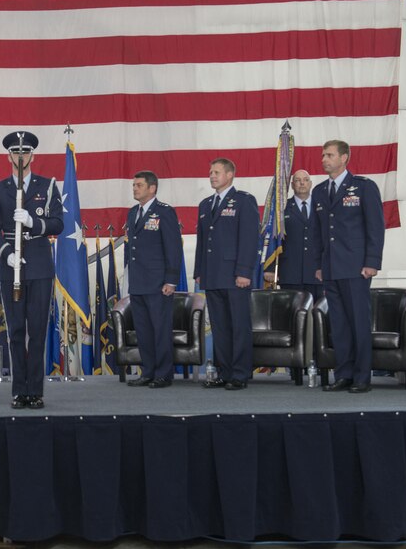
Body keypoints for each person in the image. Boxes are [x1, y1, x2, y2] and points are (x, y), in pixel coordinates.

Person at [0, 131, 63, 409]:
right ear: (8, 156)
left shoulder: (48, 186)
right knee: (16, 331)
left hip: (40, 266)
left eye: (25, 152)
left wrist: (33, 222)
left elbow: (58, 224)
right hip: (12, 268)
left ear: (33, 156)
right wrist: (6, 254)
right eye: (15, 153)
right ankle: (19, 390)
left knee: (38, 330)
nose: (20, 157)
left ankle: (36, 390)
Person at [313, 140, 385, 393]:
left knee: (358, 323)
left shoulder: (364, 187)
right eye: (323, 155)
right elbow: (317, 233)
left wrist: (372, 262)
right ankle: (343, 374)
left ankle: (362, 377)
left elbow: (375, 226)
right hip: (331, 268)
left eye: (329, 155)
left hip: (356, 268)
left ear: (344, 158)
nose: (324, 159)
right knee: (340, 325)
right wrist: (318, 265)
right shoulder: (320, 191)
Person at [194, 158, 260, 390]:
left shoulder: (243, 201)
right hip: (213, 275)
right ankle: (224, 372)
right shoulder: (205, 205)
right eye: (210, 172)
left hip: (235, 275)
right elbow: (203, 241)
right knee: (220, 327)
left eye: (217, 172)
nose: (212, 176)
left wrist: (244, 271)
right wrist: (199, 271)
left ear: (230, 175)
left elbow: (250, 239)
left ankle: (240, 374)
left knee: (238, 326)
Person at [124, 171, 183, 388]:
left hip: (158, 283)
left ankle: (163, 373)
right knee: (143, 331)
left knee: (160, 330)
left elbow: (173, 248)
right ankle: (148, 371)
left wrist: (171, 280)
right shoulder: (133, 213)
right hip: (138, 282)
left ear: (152, 188)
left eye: (139, 185)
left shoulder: (164, 212)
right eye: (133, 185)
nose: (135, 188)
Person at [268, 169, 323, 301]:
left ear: (310, 184)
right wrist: (269, 268)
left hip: (317, 272)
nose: (302, 183)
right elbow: (272, 239)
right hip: (290, 272)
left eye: (305, 180)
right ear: (292, 185)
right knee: (291, 316)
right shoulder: (282, 208)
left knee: (319, 316)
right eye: (298, 180)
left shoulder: (322, 207)